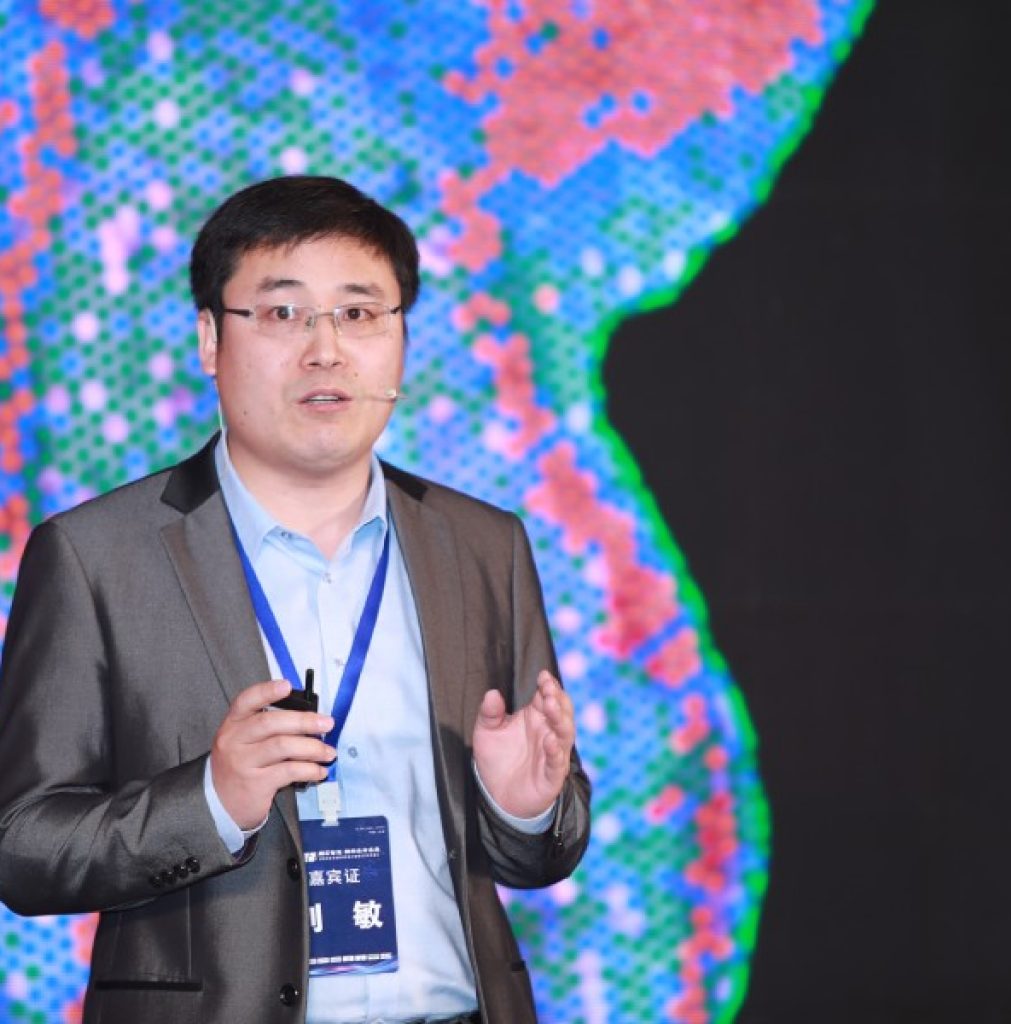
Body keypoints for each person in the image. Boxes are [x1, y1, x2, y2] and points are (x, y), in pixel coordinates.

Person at [0, 176, 590, 1024]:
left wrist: (522, 807)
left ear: (401, 338)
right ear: (211, 339)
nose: (326, 349)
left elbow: (542, 851)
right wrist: (212, 801)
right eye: (283, 313)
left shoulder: (482, 544)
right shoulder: (96, 555)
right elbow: (22, 846)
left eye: (359, 313)